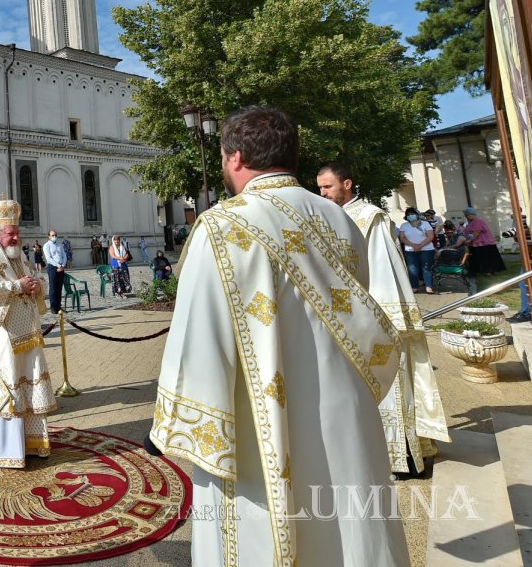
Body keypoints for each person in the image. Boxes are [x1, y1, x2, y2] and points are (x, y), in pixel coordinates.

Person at [148, 106, 407, 565]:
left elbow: (199, 342)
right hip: (346, 416)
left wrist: (176, 429)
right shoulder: (340, 219)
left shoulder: (221, 226)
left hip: (263, 429)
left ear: (235, 157)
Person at [318, 162, 449, 477]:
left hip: (375, 320)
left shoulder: (370, 218)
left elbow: (384, 270)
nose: (321, 193)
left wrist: (388, 319)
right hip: (344, 319)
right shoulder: (328, 217)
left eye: (327, 187)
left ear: (347, 183)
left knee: (390, 388)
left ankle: (403, 457)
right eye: (320, 187)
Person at [0, 199, 54, 468]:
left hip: (26, 333)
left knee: (26, 378)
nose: (16, 237)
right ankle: (6, 448)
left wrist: (35, 284)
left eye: (18, 231)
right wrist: (17, 286)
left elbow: (30, 278)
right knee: (8, 382)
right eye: (10, 233)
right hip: (1, 334)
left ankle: (30, 442)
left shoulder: (17, 252)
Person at [398, 206, 437, 294]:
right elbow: (402, 237)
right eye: (408, 214)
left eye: (412, 214)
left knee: (426, 268)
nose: (410, 216)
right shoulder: (404, 225)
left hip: (426, 249)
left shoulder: (425, 224)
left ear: (417, 215)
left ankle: (429, 286)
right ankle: (414, 287)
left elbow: (430, 236)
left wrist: (419, 246)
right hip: (410, 250)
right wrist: (413, 245)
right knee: (412, 269)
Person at [462, 207, 506, 275]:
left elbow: (476, 232)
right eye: (465, 215)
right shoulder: (470, 222)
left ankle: (489, 271)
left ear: (472, 214)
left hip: (484, 243)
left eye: (467, 215)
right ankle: (481, 271)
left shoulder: (477, 221)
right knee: (479, 258)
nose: (466, 216)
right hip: (476, 243)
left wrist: (469, 240)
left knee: (486, 258)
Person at [43, 230, 67, 314]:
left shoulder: (59, 244)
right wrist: (58, 266)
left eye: (55, 235)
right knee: (53, 288)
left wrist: (63, 265)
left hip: (61, 267)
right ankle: (53, 307)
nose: (54, 237)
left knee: (59, 288)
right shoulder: (46, 245)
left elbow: (64, 256)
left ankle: (58, 306)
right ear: (49, 236)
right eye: (52, 235)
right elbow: (48, 258)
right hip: (52, 267)